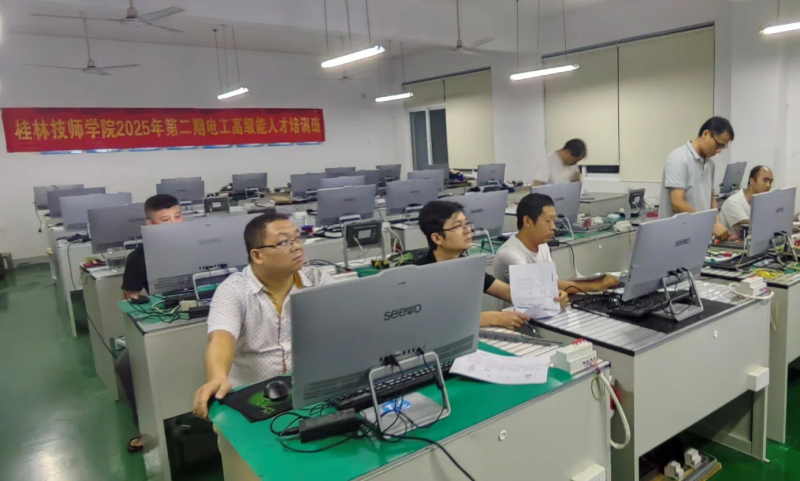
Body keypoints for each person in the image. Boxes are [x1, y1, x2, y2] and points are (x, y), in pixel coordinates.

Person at [192, 211, 332, 480]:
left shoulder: (317, 280)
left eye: (298, 238)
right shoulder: (234, 290)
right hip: (250, 404)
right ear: (257, 255)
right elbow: (221, 338)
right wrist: (217, 377)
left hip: (308, 395)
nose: (297, 247)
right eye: (284, 242)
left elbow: (349, 319)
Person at [417, 200, 568, 330]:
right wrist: (493, 318)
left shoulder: (468, 267)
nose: (468, 230)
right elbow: (433, 320)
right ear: (437, 238)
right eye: (458, 226)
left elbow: (510, 292)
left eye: (466, 224)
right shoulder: (419, 275)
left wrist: (551, 297)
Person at [116, 194, 184, 453]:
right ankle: (145, 427)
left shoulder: (200, 242)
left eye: (178, 216)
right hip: (166, 319)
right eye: (165, 220)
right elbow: (131, 298)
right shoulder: (138, 257)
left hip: (207, 313)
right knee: (125, 365)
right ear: (150, 225)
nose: (174, 224)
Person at [493, 193, 619, 296]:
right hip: (519, 317)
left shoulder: (542, 245)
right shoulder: (510, 254)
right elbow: (539, 287)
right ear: (527, 221)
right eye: (548, 221)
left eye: (554, 221)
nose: (553, 227)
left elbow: (553, 283)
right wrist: (596, 286)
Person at [658, 117, 734, 240]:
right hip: (676, 237)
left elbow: (711, 199)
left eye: (723, 147)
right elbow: (677, 203)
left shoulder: (710, 164)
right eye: (718, 144)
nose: (719, 151)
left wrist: (717, 223)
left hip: (698, 233)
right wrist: (708, 225)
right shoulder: (678, 158)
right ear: (706, 134)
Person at [718, 165, 773, 236]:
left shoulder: (762, 201)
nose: (768, 185)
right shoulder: (733, 202)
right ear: (752, 181)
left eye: (770, 181)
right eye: (765, 181)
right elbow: (749, 225)